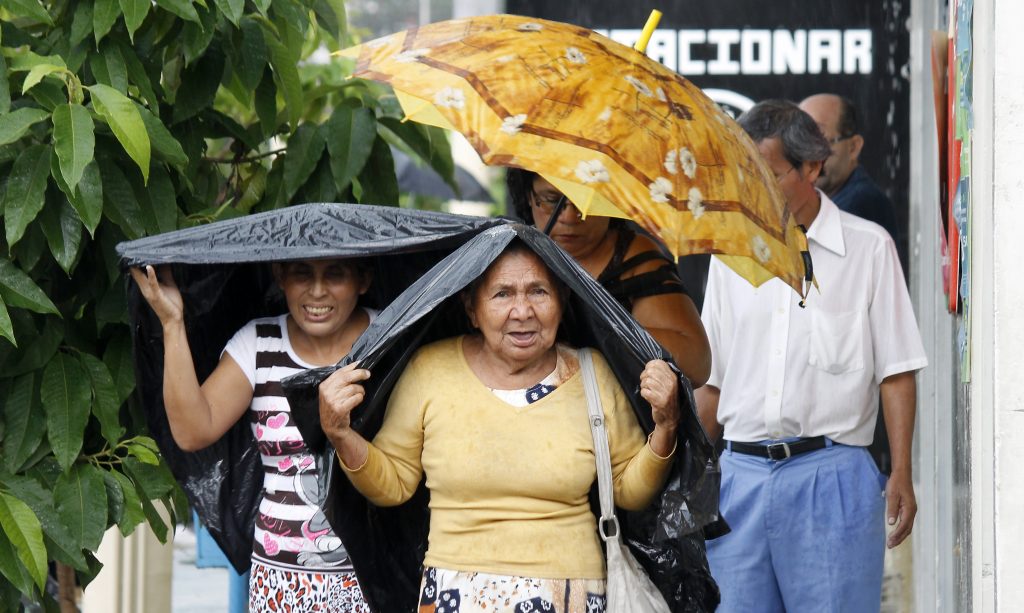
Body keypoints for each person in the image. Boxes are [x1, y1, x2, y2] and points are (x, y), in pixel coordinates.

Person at [318, 242, 681, 612]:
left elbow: (628, 492)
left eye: (538, 292)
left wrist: (666, 426)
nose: (522, 311)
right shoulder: (430, 370)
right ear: (472, 308)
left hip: (570, 595)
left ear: (562, 300)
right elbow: (393, 483)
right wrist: (341, 434)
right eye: (502, 294)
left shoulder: (592, 374)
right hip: (456, 596)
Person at [694, 100, 928, 612]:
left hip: (833, 480)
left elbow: (896, 372)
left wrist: (902, 471)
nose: (755, 189)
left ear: (812, 168)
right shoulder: (730, 255)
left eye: (770, 174)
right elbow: (713, 384)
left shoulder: (868, 248)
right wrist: (679, 472)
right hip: (738, 483)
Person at [130, 259, 374, 612]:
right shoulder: (259, 344)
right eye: (302, 273)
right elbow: (191, 432)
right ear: (280, 276)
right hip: (280, 582)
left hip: (374, 582)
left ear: (363, 279)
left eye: (335, 273)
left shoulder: (388, 337)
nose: (318, 290)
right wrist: (172, 323)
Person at [507, 169, 711, 386]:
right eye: (551, 200)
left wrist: (593, 328)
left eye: (586, 202)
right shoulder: (510, 253)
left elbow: (696, 363)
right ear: (529, 196)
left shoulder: (634, 258)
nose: (568, 217)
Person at [798, 93, 899, 243]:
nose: (806, 154)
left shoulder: (861, 204)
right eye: (798, 142)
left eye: (818, 140)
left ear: (853, 147)